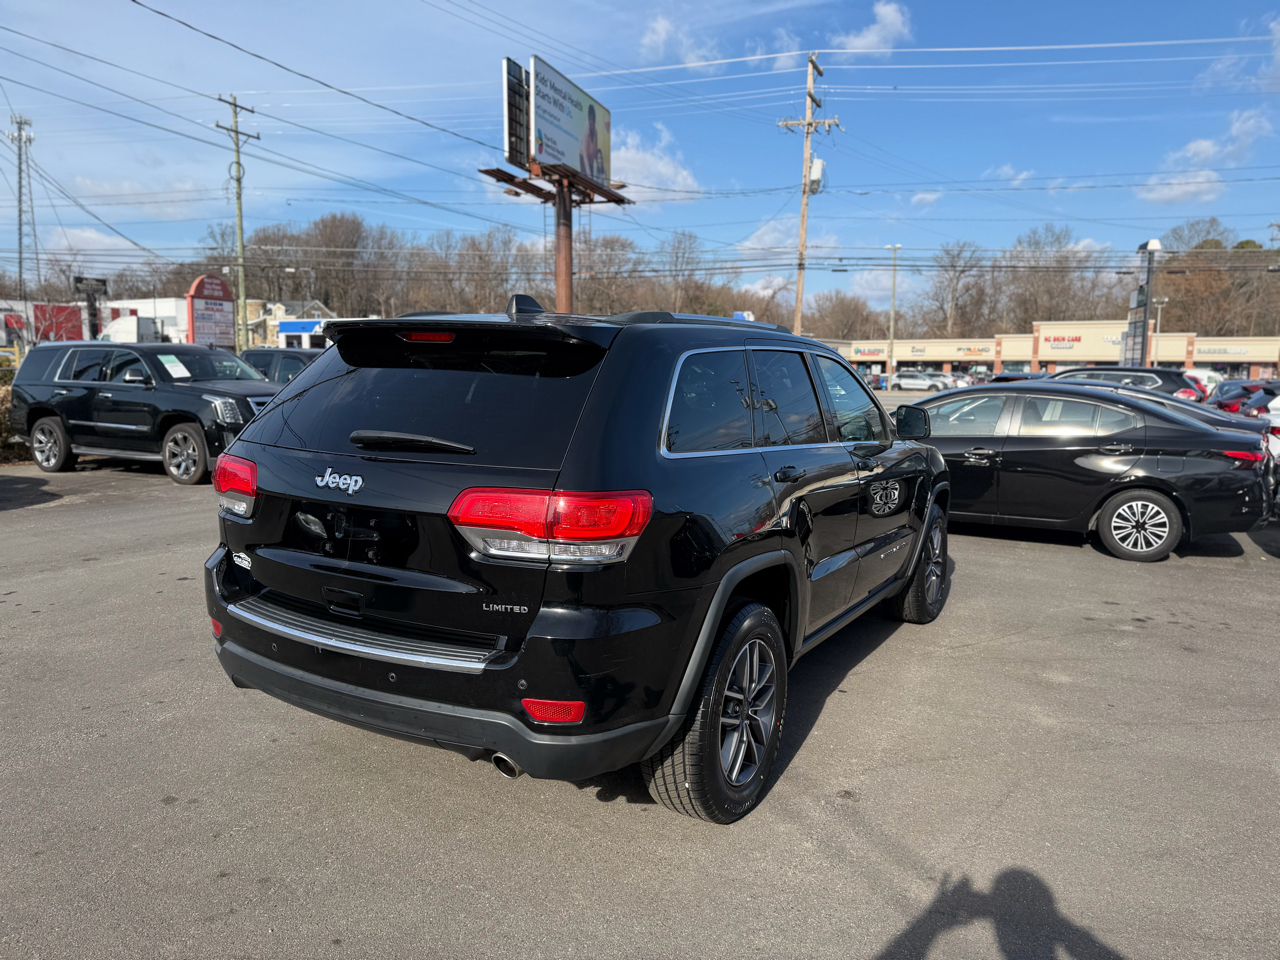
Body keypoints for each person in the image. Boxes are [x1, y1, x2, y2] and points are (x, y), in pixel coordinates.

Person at [578, 103, 606, 181]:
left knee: (591, 180)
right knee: (585, 178)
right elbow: (585, 156)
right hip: (583, 156)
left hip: (590, 158)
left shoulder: (595, 131)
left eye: (593, 122)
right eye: (590, 122)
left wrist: (593, 167)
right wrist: (589, 175)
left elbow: (594, 150)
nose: (592, 124)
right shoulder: (586, 131)